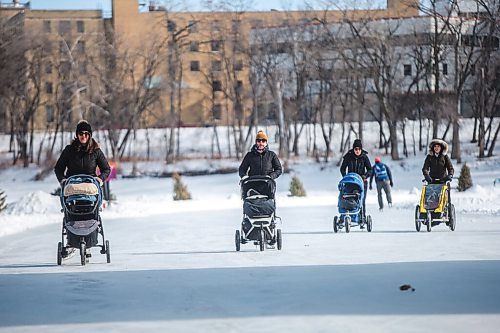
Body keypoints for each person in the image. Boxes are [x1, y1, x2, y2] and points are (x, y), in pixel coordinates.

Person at [54, 120, 110, 258]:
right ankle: (72, 242)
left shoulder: (96, 151)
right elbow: (58, 168)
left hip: (90, 186)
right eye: (80, 133)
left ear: (90, 135)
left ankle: (90, 240)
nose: (83, 136)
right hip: (73, 186)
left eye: (86, 133)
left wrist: (100, 179)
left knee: (91, 209)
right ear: (77, 135)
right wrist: (62, 180)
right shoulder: (69, 150)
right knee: (71, 209)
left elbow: (106, 169)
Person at [340, 139, 372, 221]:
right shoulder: (348, 156)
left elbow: (370, 169)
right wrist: (345, 177)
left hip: (361, 182)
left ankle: (362, 217)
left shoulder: (364, 157)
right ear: (353, 149)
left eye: (359, 149)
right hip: (350, 182)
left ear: (361, 149)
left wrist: (365, 176)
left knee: (361, 199)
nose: (357, 151)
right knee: (347, 198)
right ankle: (344, 216)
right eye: (355, 149)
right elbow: (342, 168)